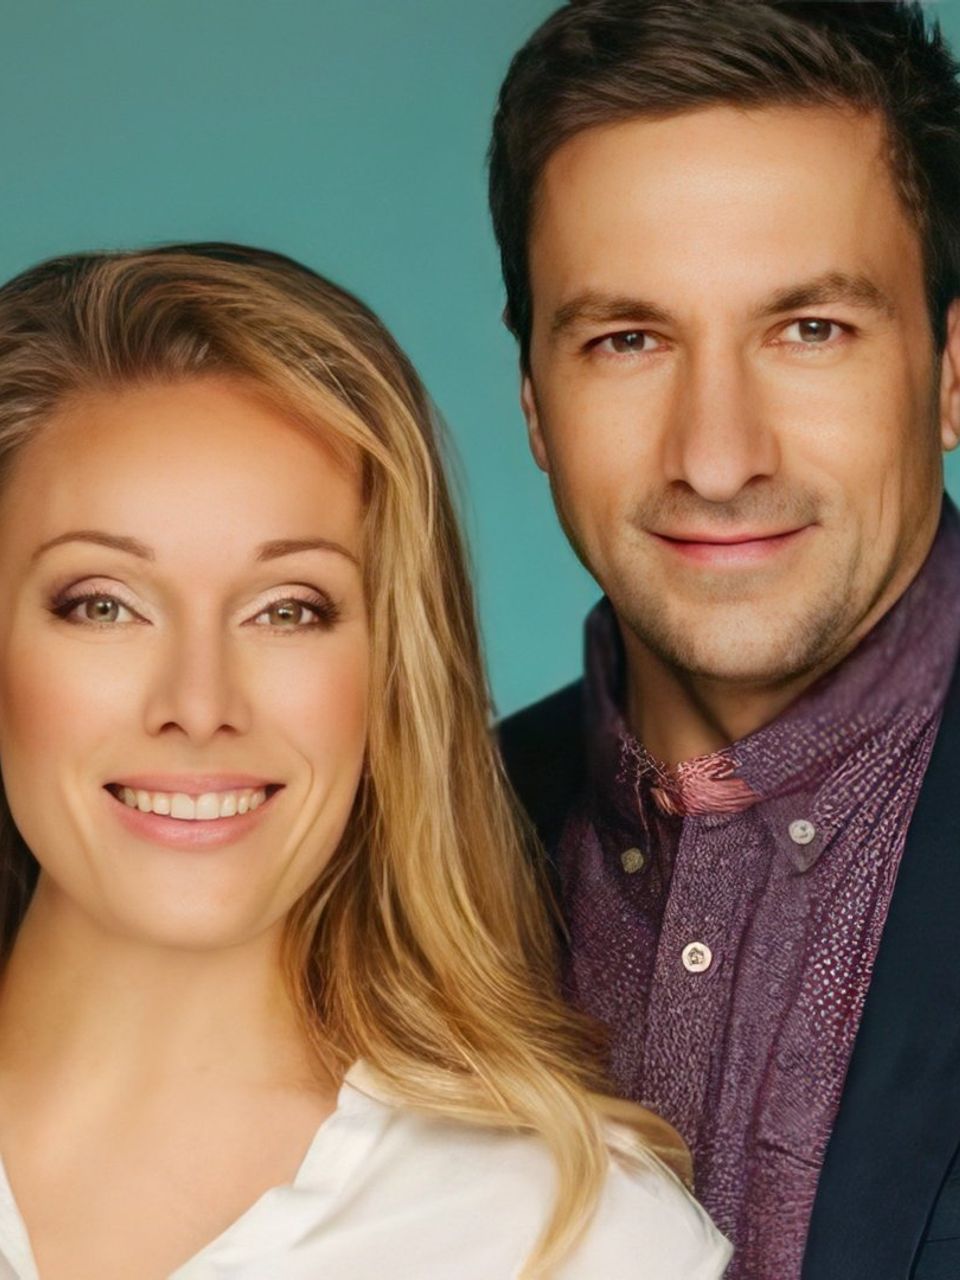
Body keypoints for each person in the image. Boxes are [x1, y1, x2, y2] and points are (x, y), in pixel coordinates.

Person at [0, 243, 730, 1279]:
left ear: (392, 668)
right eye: (103, 604)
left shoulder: (572, 1238)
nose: (199, 707)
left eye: (288, 609)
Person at [490, 2, 960, 1277]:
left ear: (950, 366)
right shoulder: (407, 864)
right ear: (533, 402)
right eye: (628, 339)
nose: (717, 456)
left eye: (810, 329)